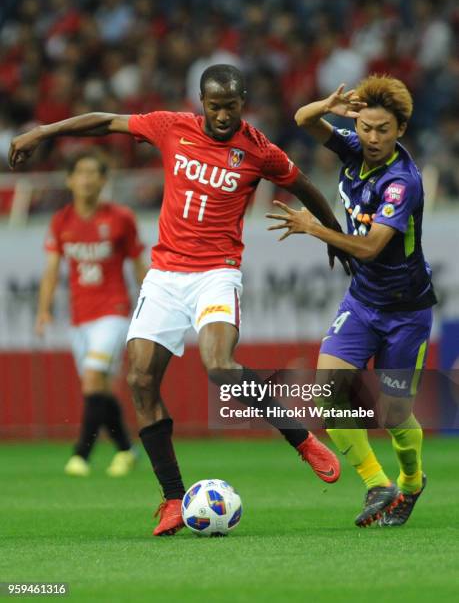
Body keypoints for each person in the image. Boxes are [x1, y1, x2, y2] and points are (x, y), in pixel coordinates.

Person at [10, 64, 346, 537]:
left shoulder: (258, 149)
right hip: (166, 275)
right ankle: (172, 498)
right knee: (139, 378)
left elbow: (304, 184)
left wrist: (331, 233)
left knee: (219, 365)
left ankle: (302, 440)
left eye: (232, 106)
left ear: (243, 102)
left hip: (216, 273)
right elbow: (107, 121)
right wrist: (43, 131)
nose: (224, 115)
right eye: (215, 106)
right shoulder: (172, 127)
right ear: (201, 103)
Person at [267, 75, 436, 527]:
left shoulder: (401, 183)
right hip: (363, 303)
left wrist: (313, 227)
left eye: (383, 129)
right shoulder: (354, 147)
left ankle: (412, 482)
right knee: (330, 391)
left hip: (405, 313)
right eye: (365, 127)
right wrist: (331, 104)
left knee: (395, 414)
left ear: (401, 129)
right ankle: (378, 484)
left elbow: (369, 248)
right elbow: (303, 119)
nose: (373, 138)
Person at [35, 150, 147, 477]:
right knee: (99, 389)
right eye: (79, 173)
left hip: (113, 310)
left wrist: (152, 302)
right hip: (79, 317)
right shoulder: (61, 222)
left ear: (103, 180)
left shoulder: (120, 218)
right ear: (69, 180)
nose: (85, 179)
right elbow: (52, 270)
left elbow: (139, 264)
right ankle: (127, 449)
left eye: (92, 173)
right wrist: (43, 310)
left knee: (94, 379)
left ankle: (80, 455)